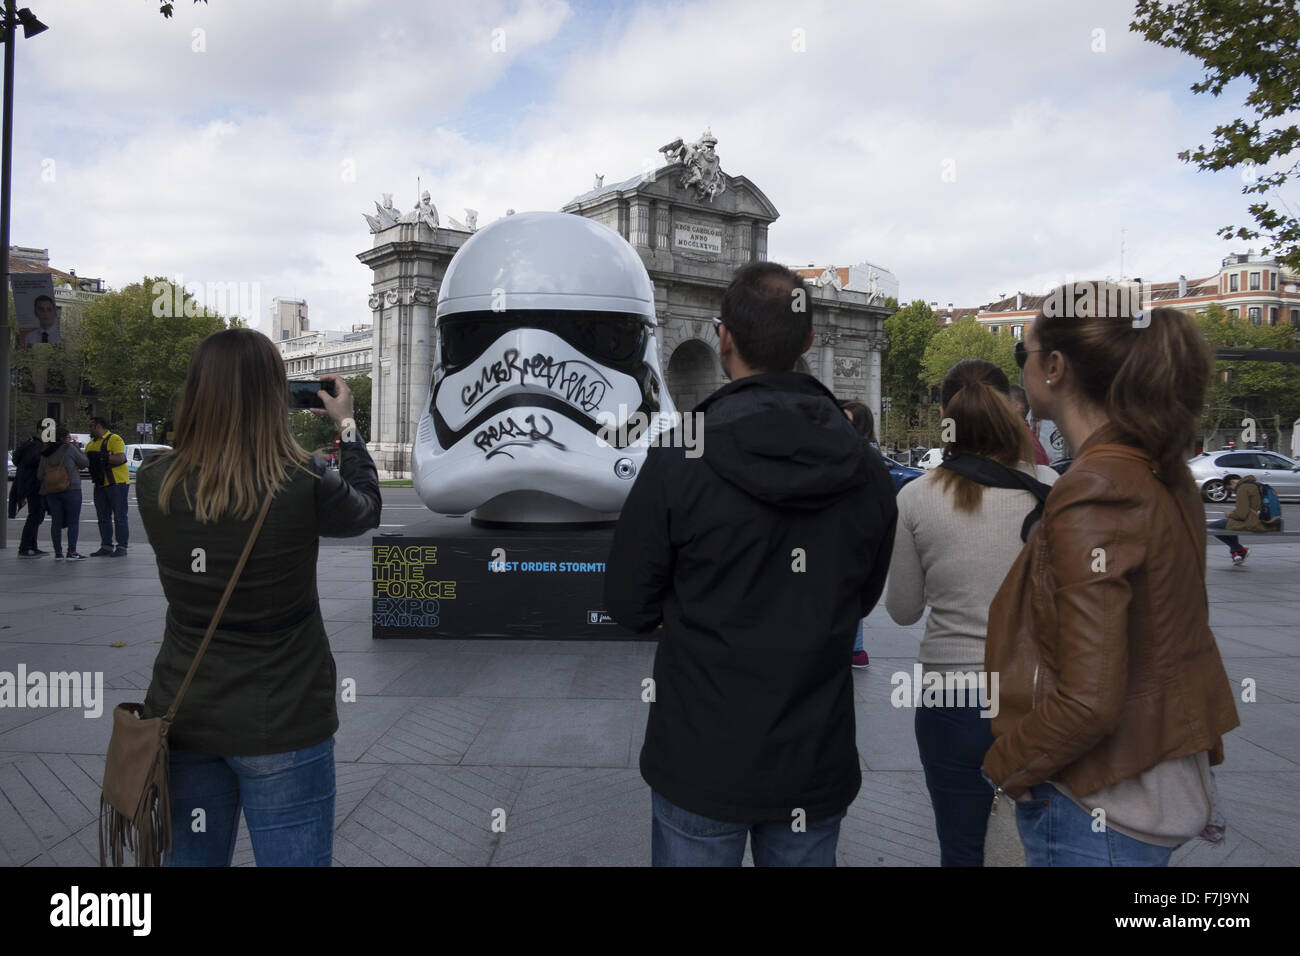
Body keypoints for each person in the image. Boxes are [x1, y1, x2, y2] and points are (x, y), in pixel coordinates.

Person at [605, 262, 897, 867]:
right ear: (810, 342)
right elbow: (862, 596)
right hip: (813, 755)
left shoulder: (681, 452)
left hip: (699, 753)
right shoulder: (866, 465)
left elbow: (628, 602)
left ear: (724, 339)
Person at [984, 284, 1240, 867]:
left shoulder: (1095, 489)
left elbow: (1090, 699)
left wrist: (1007, 765)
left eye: (1021, 355)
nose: (1019, 371)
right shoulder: (1157, 471)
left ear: (1055, 366)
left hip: (1096, 803)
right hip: (1148, 782)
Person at [136, 328, 381, 867]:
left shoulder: (154, 482)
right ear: (275, 397)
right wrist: (347, 424)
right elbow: (366, 509)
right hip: (284, 711)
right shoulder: (304, 479)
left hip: (184, 708)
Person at [885, 360, 1057, 866]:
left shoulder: (917, 495)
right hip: (1038, 695)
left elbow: (902, 610)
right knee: (1038, 846)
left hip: (951, 697)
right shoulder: (1053, 485)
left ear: (945, 415)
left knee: (961, 848)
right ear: (1014, 409)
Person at [840, 399, 880, 668]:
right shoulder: (863, 450)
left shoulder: (863, 454)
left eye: (847, 420)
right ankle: (854, 648)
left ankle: (854, 648)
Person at [37, 425, 89, 560]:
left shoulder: (46, 452)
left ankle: (58, 552)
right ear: (62, 438)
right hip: (71, 488)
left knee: (56, 522)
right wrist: (76, 448)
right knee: (73, 522)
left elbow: (40, 474)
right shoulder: (69, 448)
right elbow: (84, 463)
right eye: (68, 437)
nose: (70, 439)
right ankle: (72, 551)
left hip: (52, 491)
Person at [85, 417, 129, 556]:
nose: (89, 429)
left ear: (98, 426)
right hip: (99, 484)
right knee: (103, 517)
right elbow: (85, 461)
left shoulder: (114, 439)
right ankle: (106, 546)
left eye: (91, 426)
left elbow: (121, 458)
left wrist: (100, 457)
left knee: (120, 517)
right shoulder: (91, 444)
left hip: (116, 483)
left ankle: (122, 547)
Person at [1206, 473, 1265, 565]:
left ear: (1232, 482)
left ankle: (1238, 549)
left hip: (1254, 522)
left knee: (1212, 527)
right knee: (1230, 524)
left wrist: (1230, 514)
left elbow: (1241, 515)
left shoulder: (1243, 488)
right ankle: (1236, 551)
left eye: (1230, 488)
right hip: (1264, 519)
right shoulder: (1255, 485)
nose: (1233, 491)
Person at [9, 423, 48, 557]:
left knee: (36, 514)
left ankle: (32, 545)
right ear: (39, 430)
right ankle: (25, 547)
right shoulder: (37, 446)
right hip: (34, 484)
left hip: (28, 483)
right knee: (35, 515)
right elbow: (34, 461)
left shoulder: (30, 443)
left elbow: (16, 459)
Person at [1008, 385, 1050, 465]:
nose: (998, 408)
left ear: (1017, 407)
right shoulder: (1023, 436)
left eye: (1003, 403)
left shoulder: (1017, 439)